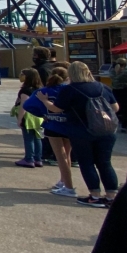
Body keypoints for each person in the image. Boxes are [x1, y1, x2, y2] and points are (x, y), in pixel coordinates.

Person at [36, 61, 119, 208]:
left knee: (87, 163)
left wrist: (44, 101)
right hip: (107, 131)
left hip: (82, 131)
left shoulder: (70, 89)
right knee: (105, 163)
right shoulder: (103, 87)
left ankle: (94, 196)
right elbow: (115, 108)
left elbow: (56, 109)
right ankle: (111, 196)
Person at [34, 67, 77, 197]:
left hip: (53, 125)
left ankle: (68, 186)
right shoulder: (70, 90)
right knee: (66, 155)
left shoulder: (45, 91)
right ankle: (63, 180)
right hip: (69, 124)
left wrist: (43, 112)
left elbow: (29, 105)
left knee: (61, 156)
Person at [13, 68, 44, 167]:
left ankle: (29, 159)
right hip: (38, 116)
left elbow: (24, 105)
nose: (20, 75)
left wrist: (20, 119)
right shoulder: (40, 88)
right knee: (37, 137)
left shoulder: (26, 90)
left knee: (28, 138)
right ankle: (38, 159)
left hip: (28, 117)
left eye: (22, 74)